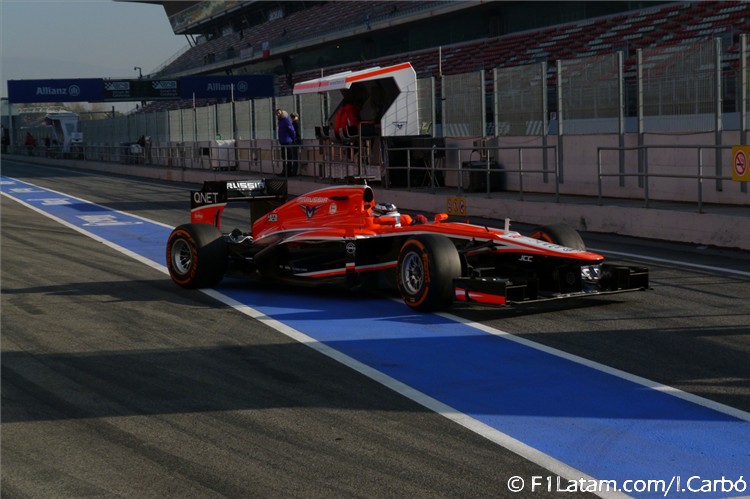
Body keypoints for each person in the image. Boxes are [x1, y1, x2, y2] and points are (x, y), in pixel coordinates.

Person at [275, 109, 296, 176]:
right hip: (283, 141)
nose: (278, 115)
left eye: (279, 113)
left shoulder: (286, 120)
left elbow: (291, 130)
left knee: (288, 157)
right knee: (284, 157)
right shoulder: (280, 121)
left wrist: (293, 138)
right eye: (277, 113)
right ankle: (285, 171)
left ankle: (288, 172)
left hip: (287, 141)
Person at [289, 112, 302, 176]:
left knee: (294, 157)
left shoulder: (295, 123)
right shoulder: (296, 123)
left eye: (293, 117)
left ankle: (294, 172)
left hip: (294, 141)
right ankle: (294, 171)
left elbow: (297, 132)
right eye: (292, 117)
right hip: (296, 140)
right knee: (295, 157)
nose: (293, 118)